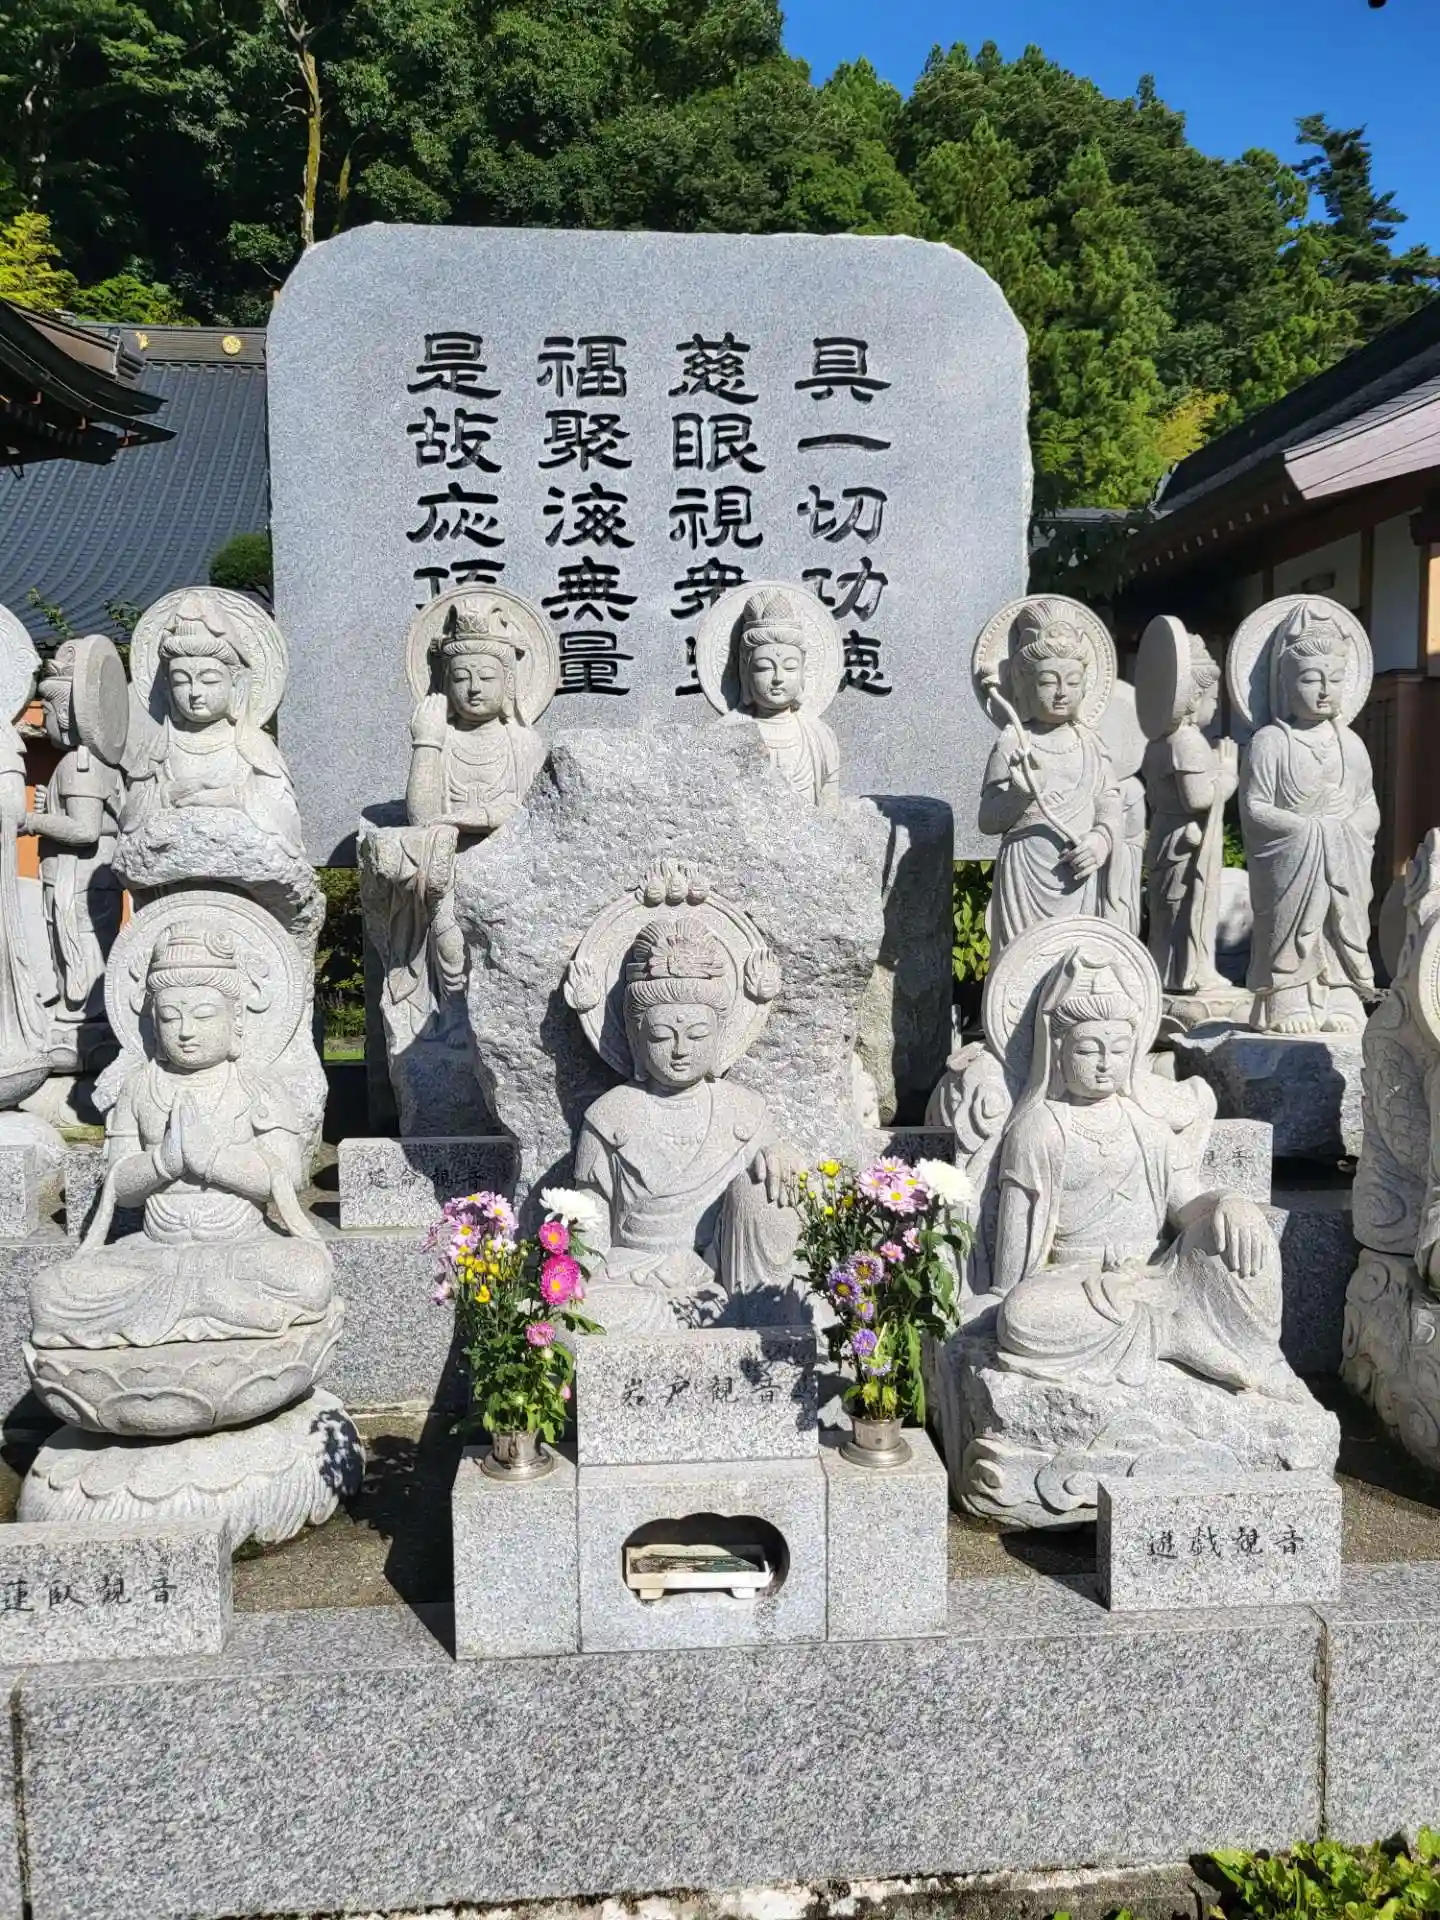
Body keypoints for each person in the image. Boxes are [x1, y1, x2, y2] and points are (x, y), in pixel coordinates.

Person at [991, 944, 1305, 1400]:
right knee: (1020, 1316)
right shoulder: (1039, 1129)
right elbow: (1014, 1260)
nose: (1105, 1063)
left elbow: (1187, 1205)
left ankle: (1255, 1354)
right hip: (1076, 1281)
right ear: (1058, 1050)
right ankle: (1178, 1334)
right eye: (1089, 1049)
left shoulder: (1146, 1124)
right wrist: (1002, 1294)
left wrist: (1230, 1202)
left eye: (1119, 1049)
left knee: (1247, 1236)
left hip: (1159, 1272)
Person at [29, 921, 331, 1365]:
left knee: (309, 1275)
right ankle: (215, 1308)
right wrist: (164, 1163)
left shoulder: (259, 1088)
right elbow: (121, 1188)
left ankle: (176, 1311)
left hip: (243, 1249)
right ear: (154, 1022)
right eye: (170, 1017)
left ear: (236, 1019)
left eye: (204, 1015)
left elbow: (288, 1177)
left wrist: (213, 1159)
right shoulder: (139, 1088)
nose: (186, 1031)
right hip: (156, 1251)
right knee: (50, 1292)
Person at [574, 914, 799, 1334]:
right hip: (635, 1279)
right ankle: (727, 1322)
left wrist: (782, 1158)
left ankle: (758, 1316)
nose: (680, 1050)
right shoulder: (609, 1116)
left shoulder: (745, 1112)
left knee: (765, 1195)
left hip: (719, 1272)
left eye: (696, 1036)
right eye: (661, 1036)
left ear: (720, 1035)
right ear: (635, 1037)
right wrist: (575, 1273)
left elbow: (776, 1195)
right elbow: (590, 1221)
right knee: (579, 1316)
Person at [1241, 603, 1379, 1034]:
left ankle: (1340, 991)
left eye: (1334, 680)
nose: (1323, 691)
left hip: (1342, 861)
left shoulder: (1351, 744)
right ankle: (1288, 995)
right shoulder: (1270, 742)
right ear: (1285, 682)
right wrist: (1308, 828)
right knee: (1288, 926)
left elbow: (1368, 805)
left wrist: (1344, 827)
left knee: (1339, 923)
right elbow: (1255, 808)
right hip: (1291, 865)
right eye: (1310, 679)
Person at [978, 600, 1124, 955]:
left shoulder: (1090, 743)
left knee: (1075, 962)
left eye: (1072, 681)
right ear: (1024, 684)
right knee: (1021, 962)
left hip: (1079, 872)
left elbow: (1110, 804)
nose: (1061, 692)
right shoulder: (1014, 741)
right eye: (1047, 681)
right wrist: (1019, 794)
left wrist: (1101, 841)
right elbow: (988, 820)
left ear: (1085, 686)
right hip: (1024, 873)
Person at [122, 593, 303, 851]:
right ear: (168, 688)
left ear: (237, 684)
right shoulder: (158, 747)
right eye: (181, 681)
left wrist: (235, 798)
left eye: (209, 680)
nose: (195, 692)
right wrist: (166, 793)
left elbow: (289, 823)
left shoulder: (253, 745)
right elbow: (128, 817)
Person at [21, 642, 123, 1070]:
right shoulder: (84, 764)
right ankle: (78, 1015)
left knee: (81, 949)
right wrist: (49, 809)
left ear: (67, 715)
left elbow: (83, 830)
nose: (42, 721)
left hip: (78, 878)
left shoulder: (81, 764)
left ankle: (84, 1024)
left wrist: (32, 821)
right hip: (74, 876)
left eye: (46, 711)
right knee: (69, 948)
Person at [1143, 633, 1236, 996]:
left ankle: (1169, 972)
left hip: (1166, 835)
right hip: (1185, 840)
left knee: (1168, 912)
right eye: (1213, 699)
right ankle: (1190, 972)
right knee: (1188, 907)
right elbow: (1198, 799)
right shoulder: (1188, 741)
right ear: (1194, 698)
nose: (1215, 708)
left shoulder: (1158, 741)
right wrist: (1227, 774)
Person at [723, 588, 840, 810]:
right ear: (746, 672)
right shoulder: (726, 733)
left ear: (803, 672)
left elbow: (830, 811)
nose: (778, 678)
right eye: (765, 668)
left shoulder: (820, 738)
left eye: (790, 667)